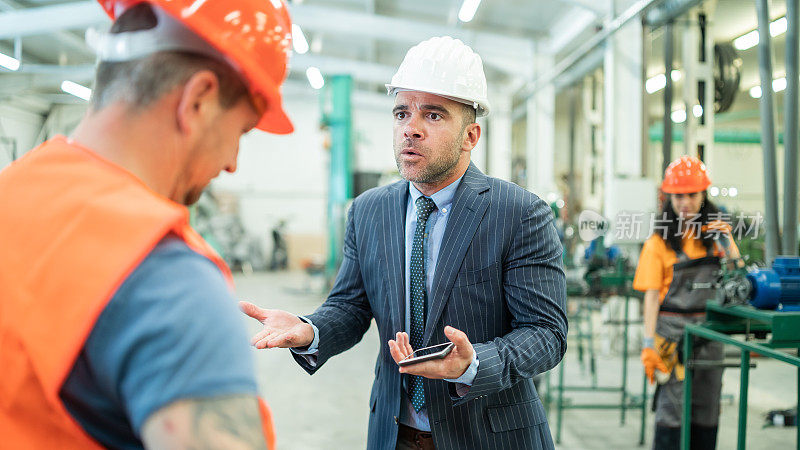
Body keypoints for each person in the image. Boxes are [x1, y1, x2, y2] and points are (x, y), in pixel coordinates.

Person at [241, 36, 567, 450]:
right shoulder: (368, 211)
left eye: (433, 115)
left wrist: (474, 364)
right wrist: (309, 330)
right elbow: (351, 306)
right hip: (395, 434)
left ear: (471, 135)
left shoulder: (518, 213)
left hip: (488, 435)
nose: (410, 128)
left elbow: (545, 332)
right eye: (401, 113)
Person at [0, 0, 293, 448]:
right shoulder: (167, 278)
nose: (233, 163)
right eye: (242, 132)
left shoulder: (13, 192)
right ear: (198, 99)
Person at [634, 156, 740, 450]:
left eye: (692, 195)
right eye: (678, 195)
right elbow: (652, 296)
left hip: (709, 333)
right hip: (672, 337)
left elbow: (738, 275)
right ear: (669, 197)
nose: (685, 202)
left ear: (703, 195)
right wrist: (648, 342)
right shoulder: (658, 242)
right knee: (672, 409)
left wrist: (727, 243)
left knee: (707, 407)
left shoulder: (717, 235)